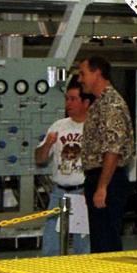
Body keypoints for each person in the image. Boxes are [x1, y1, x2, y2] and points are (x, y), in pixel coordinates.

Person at [77, 56, 134, 253]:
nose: (79, 79)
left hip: (109, 178)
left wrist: (102, 186)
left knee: (106, 242)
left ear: (97, 73)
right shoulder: (99, 105)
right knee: (99, 240)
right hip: (100, 177)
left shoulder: (111, 105)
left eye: (83, 73)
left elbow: (113, 149)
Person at [34, 78, 93, 255]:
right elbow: (40, 159)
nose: (68, 103)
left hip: (82, 191)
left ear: (86, 102)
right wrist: (47, 144)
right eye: (67, 99)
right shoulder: (59, 126)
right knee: (51, 243)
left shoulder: (93, 128)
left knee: (83, 245)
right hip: (59, 192)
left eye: (73, 99)